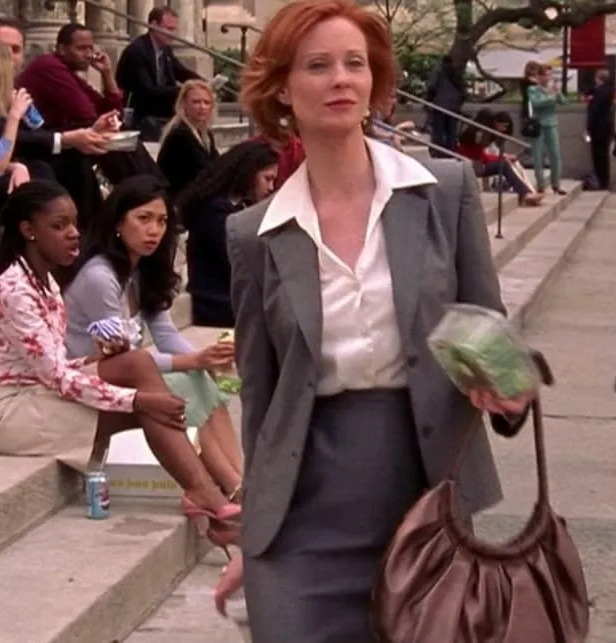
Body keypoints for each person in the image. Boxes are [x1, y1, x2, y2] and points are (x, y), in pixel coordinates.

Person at [216, 1, 533, 640]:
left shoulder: (445, 191)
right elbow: (261, 394)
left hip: (424, 495)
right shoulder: (254, 234)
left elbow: (489, 332)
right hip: (303, 508)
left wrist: (508, 391)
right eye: (318, 66)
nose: (341, 79)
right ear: (283, 88)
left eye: (354, 64)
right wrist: (255, 529)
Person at [0, 180, 240, 540]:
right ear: (28, 230)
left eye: (74, 223)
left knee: (139, 366)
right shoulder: (16, 289)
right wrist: (138, 399)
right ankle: (210, 493)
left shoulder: (45, 281)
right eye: (59, 226)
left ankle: (210, 493)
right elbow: (58, 377)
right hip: (3, 412)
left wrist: (99, 359)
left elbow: (60, 365)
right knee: (155, 404)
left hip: (37, 391)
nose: (73, 233)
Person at [63, 174, 243, 503]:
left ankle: (238, 479)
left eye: (161, 221)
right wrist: (193, 360)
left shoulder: (141, 270)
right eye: (143, 218)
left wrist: (206, 359)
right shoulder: (99, 276)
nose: (154, 231)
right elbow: (123, 358)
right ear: (118, 222)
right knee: (183, 382)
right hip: (89, 372)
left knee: (198, 376)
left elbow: (165, 334)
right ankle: (231, 486)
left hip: (129, 369)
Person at [0, 17, 118, 231]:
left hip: (14, 157)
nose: (7, 57)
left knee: (84, 154)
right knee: (42, 170)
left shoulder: (15, 90)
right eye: (0, 49)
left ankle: (92, 231)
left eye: (15, 50)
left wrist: (87, 132)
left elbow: (38, 129)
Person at [176, 140, 278, 327]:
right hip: (215, 302)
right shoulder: (214, 212)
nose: (271, 188)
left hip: (231, 296)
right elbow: (240, 262)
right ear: (249, 174)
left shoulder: (238, 206)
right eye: (267, 179)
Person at [0, 38, 54, 262]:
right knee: (17, 183)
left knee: (39, 169)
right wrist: (14, 117)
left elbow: (38, 125)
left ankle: (43, 240)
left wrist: (15, 166)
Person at [115, 6, 201, 141]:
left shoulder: (165, 49)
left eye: (174, 29)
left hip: (159, 106)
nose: (173, 34)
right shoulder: (137, 51)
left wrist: (202, 83)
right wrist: (184, 90)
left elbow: (180, 71)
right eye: (169, 29)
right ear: (154, 25)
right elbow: (147, 90)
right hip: (141, 111)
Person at [457, 112, 542, 206]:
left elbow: (482, 157)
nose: (503, 129)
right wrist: (502, 158)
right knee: (505, 165)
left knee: (506, 163)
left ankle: (527, 192)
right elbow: (481, 158)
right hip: (472, 166)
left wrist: (502, 157)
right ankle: (526, 193)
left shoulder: (476, 137)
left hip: (476, 165)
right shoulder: (477, 137)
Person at [157, 80, 219, 199]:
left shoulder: (205, 133)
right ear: (184, 104)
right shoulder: (180, 134)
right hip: (181, 198)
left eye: (206, 102)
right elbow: (201, 172)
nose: (202, 107)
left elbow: (217, 163)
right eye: (196, 102)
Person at [526, 64, 565, 195]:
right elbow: (536, 103)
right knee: (538, 155)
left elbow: (563, 101)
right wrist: (551, 97)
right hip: (539, 124)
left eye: (550, 75)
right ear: (540, 76)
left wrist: (558, 92)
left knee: (555, 154)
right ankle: (541, 184)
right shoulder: (533, 89)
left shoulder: (552, 89)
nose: (548, 78)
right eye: (546, 75)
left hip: (552, 123)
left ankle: (556, 184)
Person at [426, 53, 466, 156]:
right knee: (452, 131)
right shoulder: (457, 73)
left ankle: (438, 151)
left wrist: (428, 100)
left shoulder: (438, 71)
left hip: (440, 105)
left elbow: (432, 87)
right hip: (454, 106)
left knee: (438, 130)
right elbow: (463, 91)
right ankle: (451, 151)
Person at [586, 68, 615, 190]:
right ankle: (604, 180)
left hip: (598, 128)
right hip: (607, 127)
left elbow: (594, 111)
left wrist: (588, 127)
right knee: (604, 155)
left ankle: (601, 180)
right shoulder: (609, 90)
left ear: (598, 78)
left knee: (598, 155)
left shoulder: (599, 92)